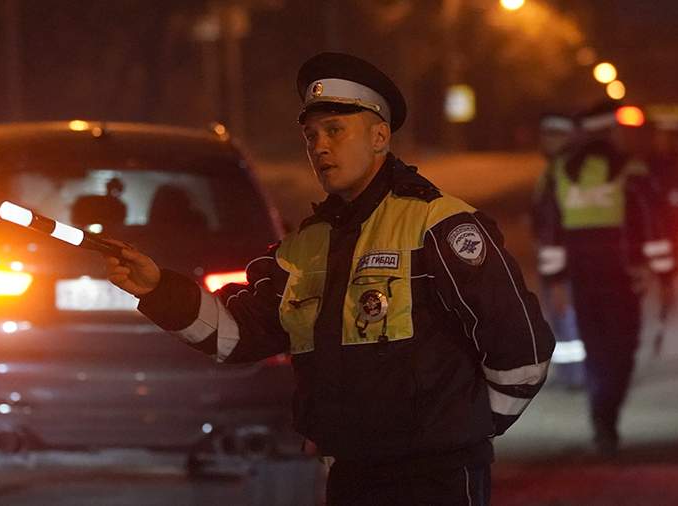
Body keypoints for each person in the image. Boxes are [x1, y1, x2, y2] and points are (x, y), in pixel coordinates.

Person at [105, 52, 555, 505]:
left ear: (380, 136)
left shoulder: (438, 225)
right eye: (311, 135)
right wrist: (158, 289)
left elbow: (524, 352)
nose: (320, 147)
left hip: (434, 480)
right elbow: (236, 335)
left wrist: (465, 429)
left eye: (335, 131)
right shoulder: (305, 246)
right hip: (349, 477)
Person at [532, 100, 675, 457]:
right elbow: (653, 225)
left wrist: (556, 282)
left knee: (595, 349)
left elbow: (550, 232)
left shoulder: (561, 171)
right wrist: (664, 274)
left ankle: (602, 419)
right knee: (621, 350)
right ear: (612, 130)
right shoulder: (631, 170)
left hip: (582, 278)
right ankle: (606, 417)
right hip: (624, 277)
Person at [532, 113, 585, 388]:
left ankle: (576, 376)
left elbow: (553, 227)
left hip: (562, 262)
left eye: (554, 134)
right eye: (545, 133)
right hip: (572, 258)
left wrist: (555, 280)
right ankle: (576, 373)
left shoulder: (560, 171)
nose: (546, 140)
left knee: (566, 314)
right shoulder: (562, 167)